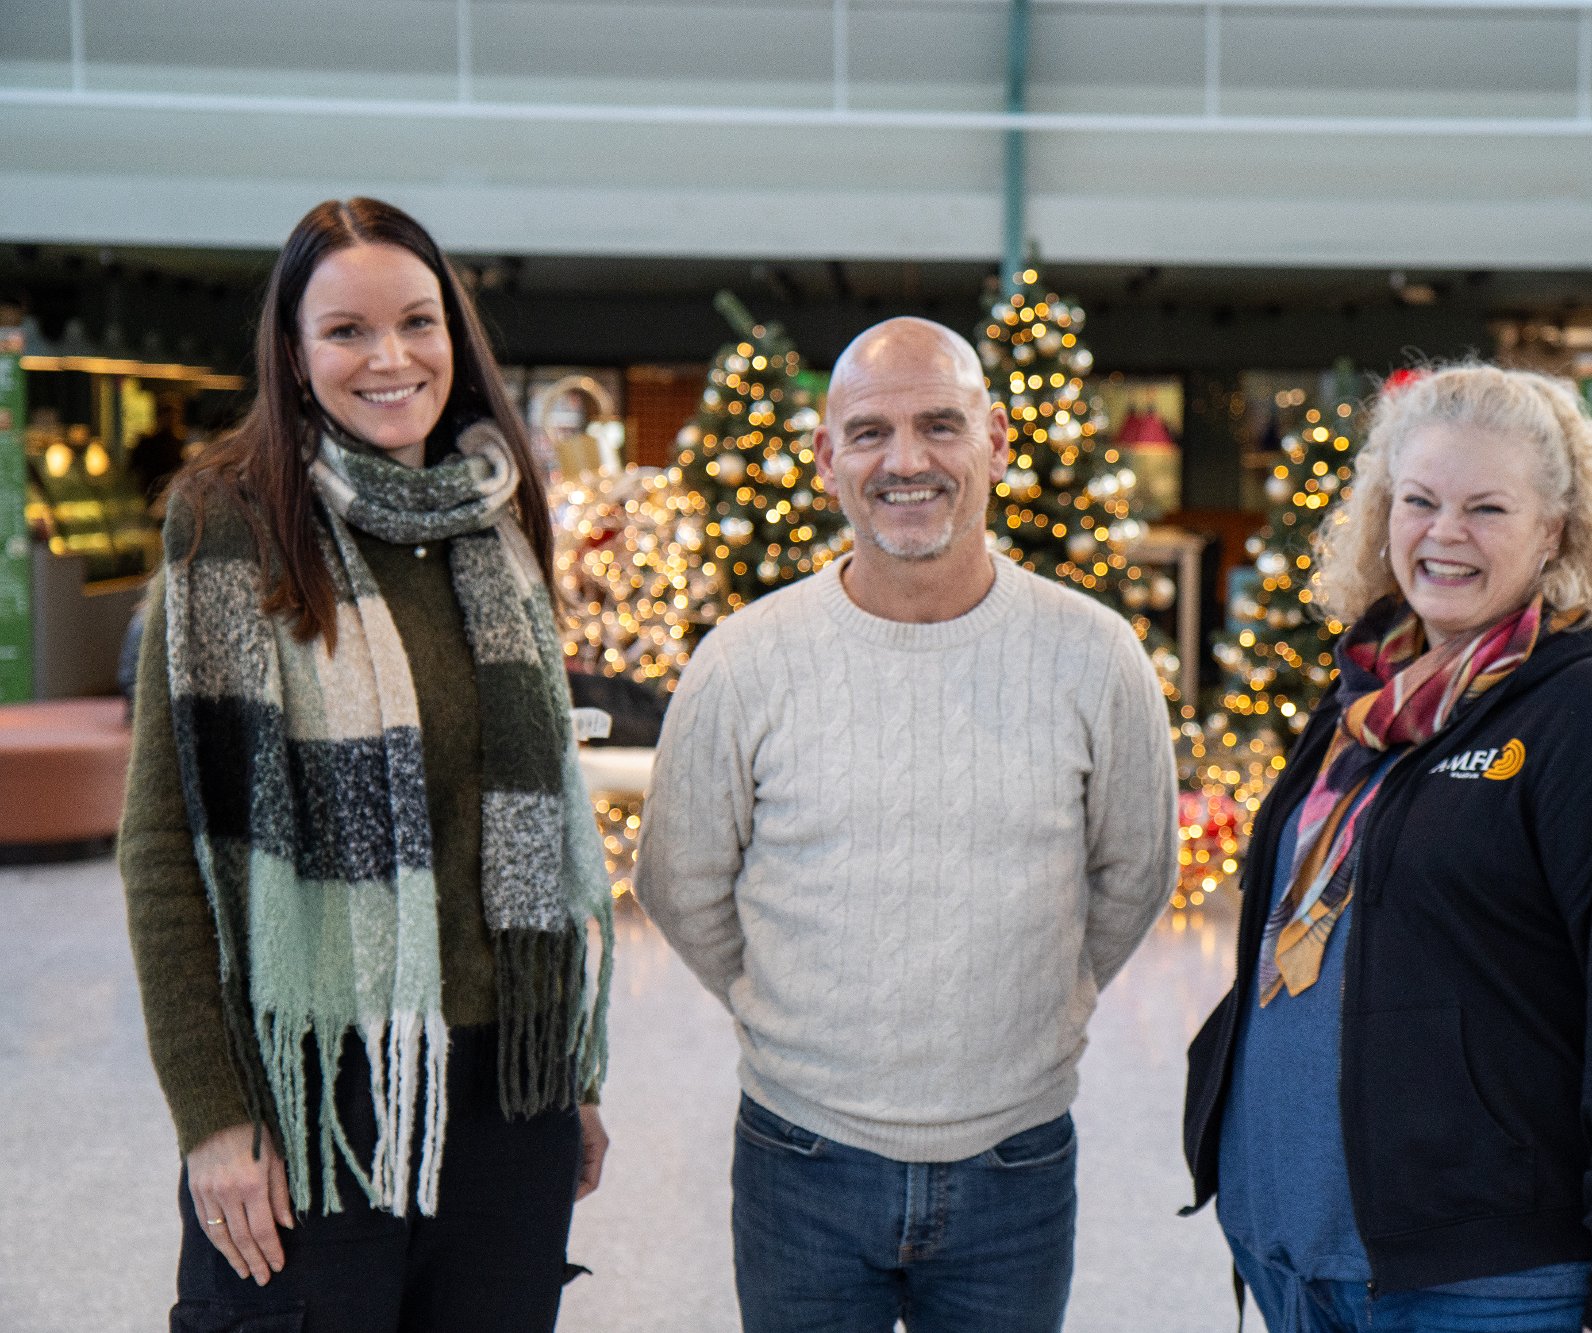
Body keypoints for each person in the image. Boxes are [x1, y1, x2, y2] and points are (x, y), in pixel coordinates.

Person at [119, 197, 614, 1332]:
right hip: (319, 1091)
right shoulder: (232, 522)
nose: (390, 358)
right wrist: (211, 1115)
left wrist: (565, 1076)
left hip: (506, 1094)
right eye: (345, 330)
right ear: (293, 356)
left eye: (417, 322)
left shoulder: (494, 519)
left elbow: (536, 819)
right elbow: (167, 848)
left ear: (456, 337)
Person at [1181, 363, 1592, 1333]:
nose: (1442, 534)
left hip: (1485, 1285)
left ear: (1555, 530)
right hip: (1298, 1259)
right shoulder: (1365, 701)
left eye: (1485, 507)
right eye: (1418, 501)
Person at [635, 316, 1179, 1333]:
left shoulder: (1094, 656)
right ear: (826, 456)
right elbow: (680, 878)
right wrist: (781, 1010)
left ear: (997, 441)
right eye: (872, 432)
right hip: (799, 1155)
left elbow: (1134, 871)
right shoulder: (745, 660)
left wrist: (1039, 1010)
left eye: (940, 425)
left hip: (1014, 1161)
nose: (907, 461)